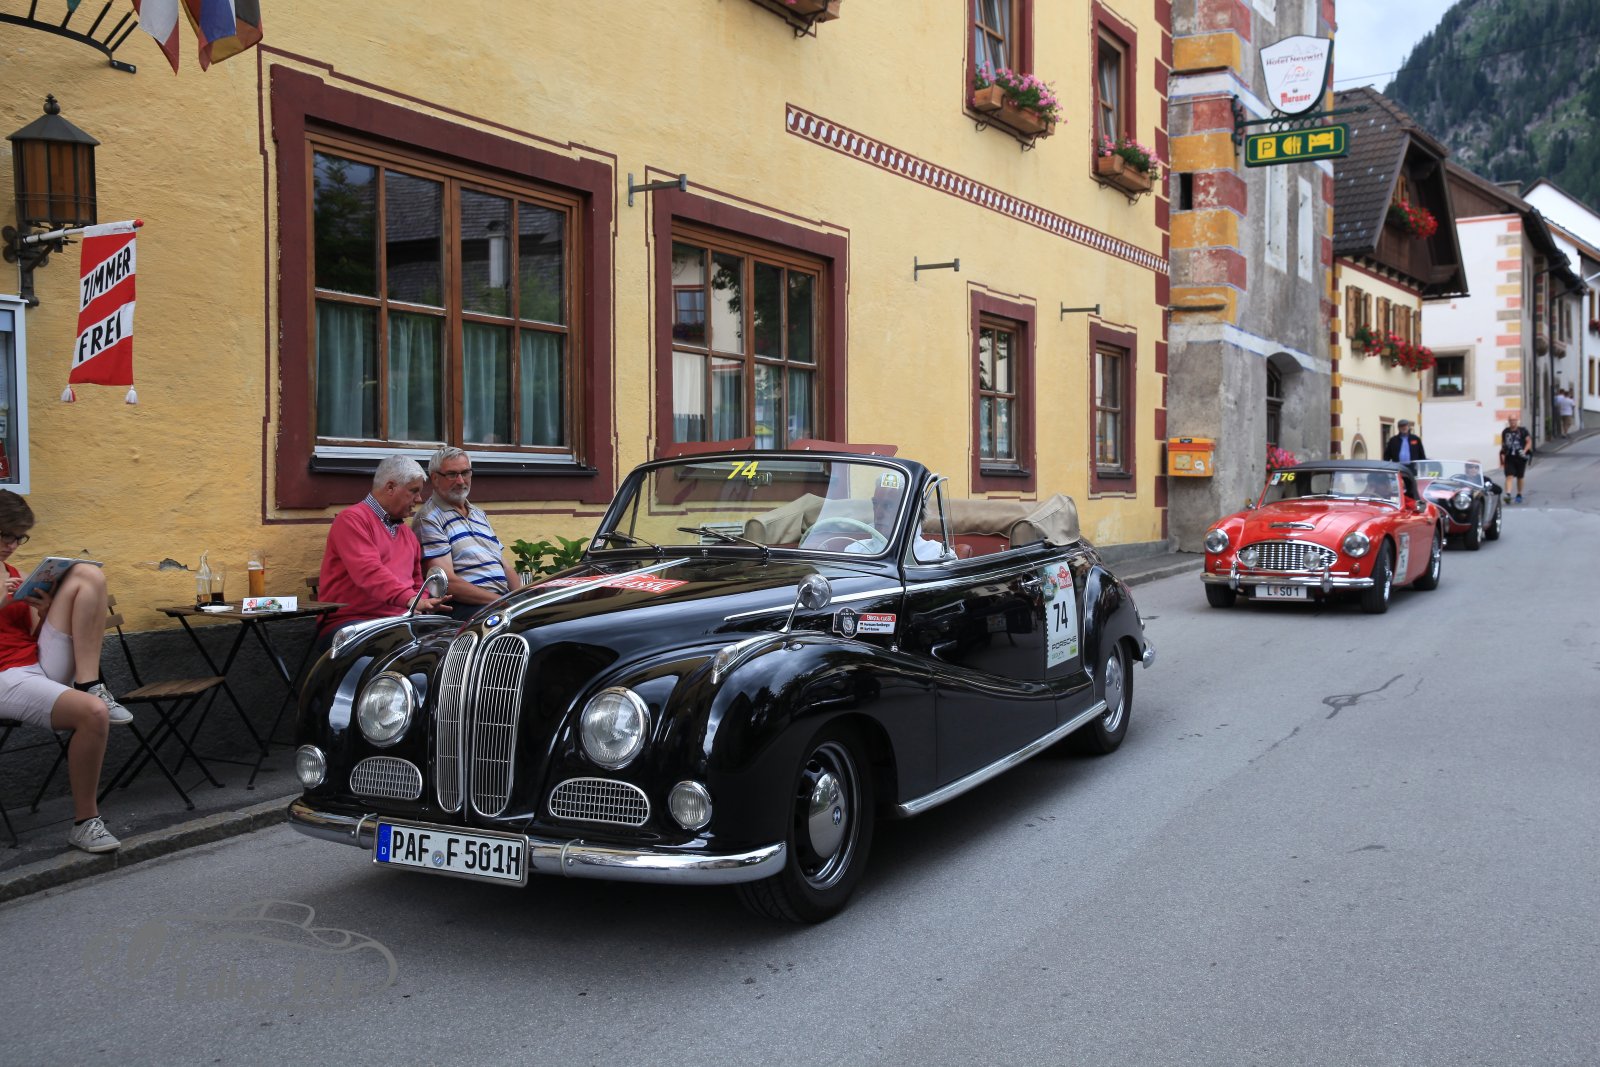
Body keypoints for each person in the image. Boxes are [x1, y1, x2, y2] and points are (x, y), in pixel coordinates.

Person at [0, 490, 132, 853]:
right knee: (94, 714)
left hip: (35, 664)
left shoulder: (13, 573)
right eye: (6, 535)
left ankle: (91, 683)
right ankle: (86, 824)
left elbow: (29, 634)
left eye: (19, 538)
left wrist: (44, 611)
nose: (12, 545)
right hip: (5, 677)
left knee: (86, 573)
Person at [316, 456, 450, 650]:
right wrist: (410, 600)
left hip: (398, 622)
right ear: (390, 488)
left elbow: (416, 581)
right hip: (353, 624)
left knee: (454, 646)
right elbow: (368, 572)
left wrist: (423, 601)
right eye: (414, 491)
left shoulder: (406, 533)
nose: (419, 499)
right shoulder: (351, 520)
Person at [415, 447, 514, 621]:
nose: (461, 481)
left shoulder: (478, 514)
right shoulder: (429, 518)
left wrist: (521, 599)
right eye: (452, 474)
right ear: (435, 478)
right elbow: (446, 583)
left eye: (465, 473)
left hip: (498, 602)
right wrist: (502, 602)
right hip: (464, 608)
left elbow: (504, 566)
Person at [1500, 414, 1532, 503]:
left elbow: (1529, 442)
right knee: (1509, 476)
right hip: (1509, 457)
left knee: (1520, 477)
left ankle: (1519, 494)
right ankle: (1508, 494)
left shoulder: (1523, 431)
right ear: (1509, 421)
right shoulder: (1505, 431)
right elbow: (1503, 443)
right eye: (1511, 420)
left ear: (1517, 421)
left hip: (1520, 457)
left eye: (1514, 420)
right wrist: (1503, 451)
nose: (1512, 422)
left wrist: (1524, 451)